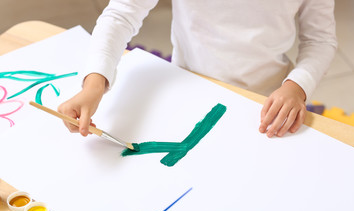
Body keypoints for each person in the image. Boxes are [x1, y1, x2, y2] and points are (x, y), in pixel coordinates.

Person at [58, 0, 337, 138]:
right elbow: (121, 14)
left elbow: (321, 40)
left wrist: (297, 87)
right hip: (188, 91)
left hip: (266, 105)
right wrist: (94, 84)